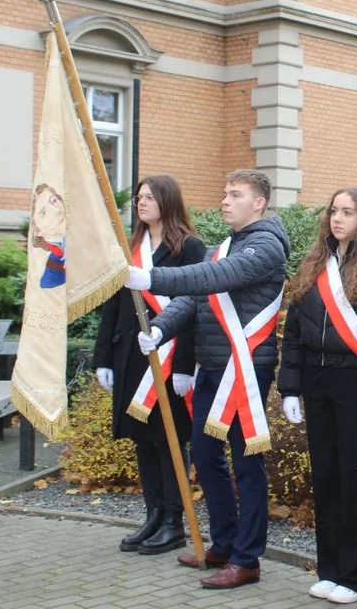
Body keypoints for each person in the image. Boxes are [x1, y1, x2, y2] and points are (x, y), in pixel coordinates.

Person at [127, 169, 290, 589]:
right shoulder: (224, 247)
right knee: (204, 453)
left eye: (235, 194)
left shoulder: (266, 246)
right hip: (213, 367)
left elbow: (214, 279)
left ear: (259, 203)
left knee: (246, 463)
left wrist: (153, 278)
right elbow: (196, 298)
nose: (225, 200)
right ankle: (224, 541)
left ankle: (247, 558)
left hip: (245, 369)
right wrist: (161, 328)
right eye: (224, 192)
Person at [277, 187, 357, 605]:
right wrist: (290, 386)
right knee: (327, 478)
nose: (337, 219)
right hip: (317, 384)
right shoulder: (314, 262)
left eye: (347, 212)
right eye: (333, 211)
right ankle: (330, 568)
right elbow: (294, 331)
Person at [95, 176, 205, 555]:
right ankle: (153, 515)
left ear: (167, 202)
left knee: (167, 438)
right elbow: (114, 302)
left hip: (167, 356)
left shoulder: (189, 247)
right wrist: (103, 357)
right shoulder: (132, 246)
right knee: (143, 439)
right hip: (131, 356)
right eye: (139, 197)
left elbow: (192, 307)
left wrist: (184, 367)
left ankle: (174, 521)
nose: (141, 203)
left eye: (149, 197)